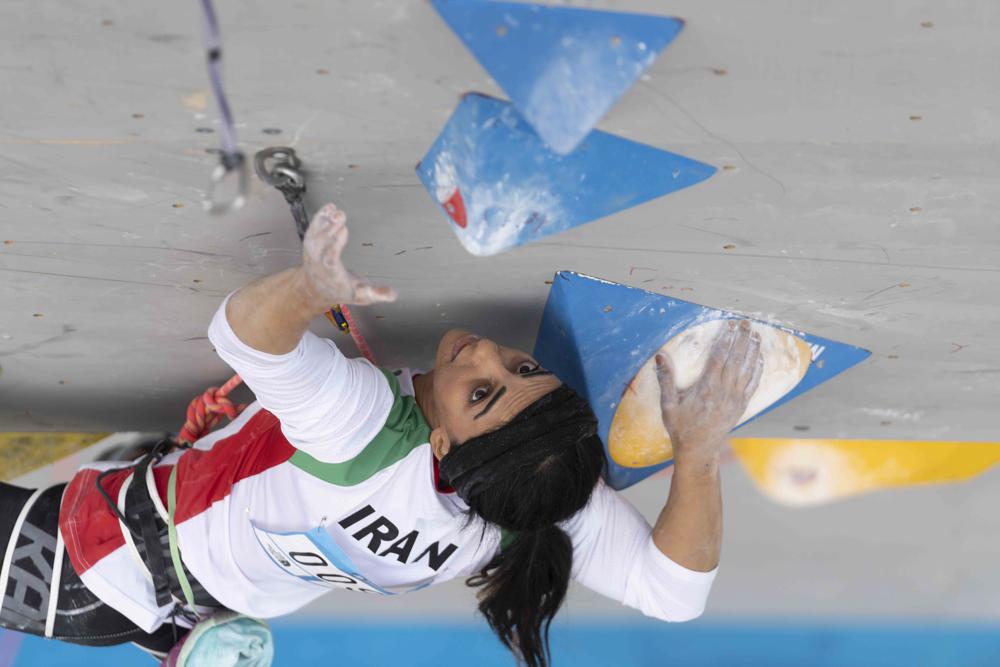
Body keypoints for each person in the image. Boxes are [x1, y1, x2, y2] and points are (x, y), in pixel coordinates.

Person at [0, 203, 763, 667]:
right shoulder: (524, 499)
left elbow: (242, 338)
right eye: (524, 364)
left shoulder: (358, 426)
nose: (485, 353)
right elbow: (673, 594)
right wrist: (697, 450)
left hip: (94, 560)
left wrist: (309, 289)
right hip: (196, 592)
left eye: (484, 392)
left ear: (442, 447)